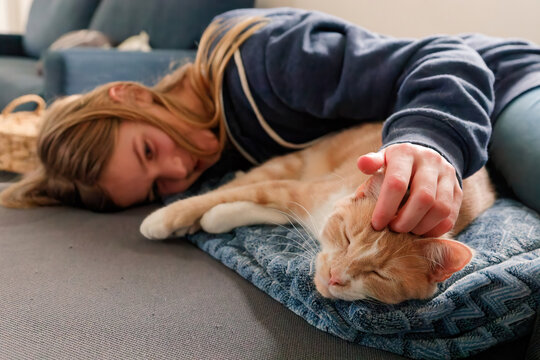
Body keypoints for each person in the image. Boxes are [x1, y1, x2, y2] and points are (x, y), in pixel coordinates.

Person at [1, 7, 539, 238]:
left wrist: (433, 144)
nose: (181, 169)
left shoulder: (265, 60)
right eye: (157, 188)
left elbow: (448, 56)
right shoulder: (217, 143)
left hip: (501, 81)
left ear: (130, 94)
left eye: (148, 150)